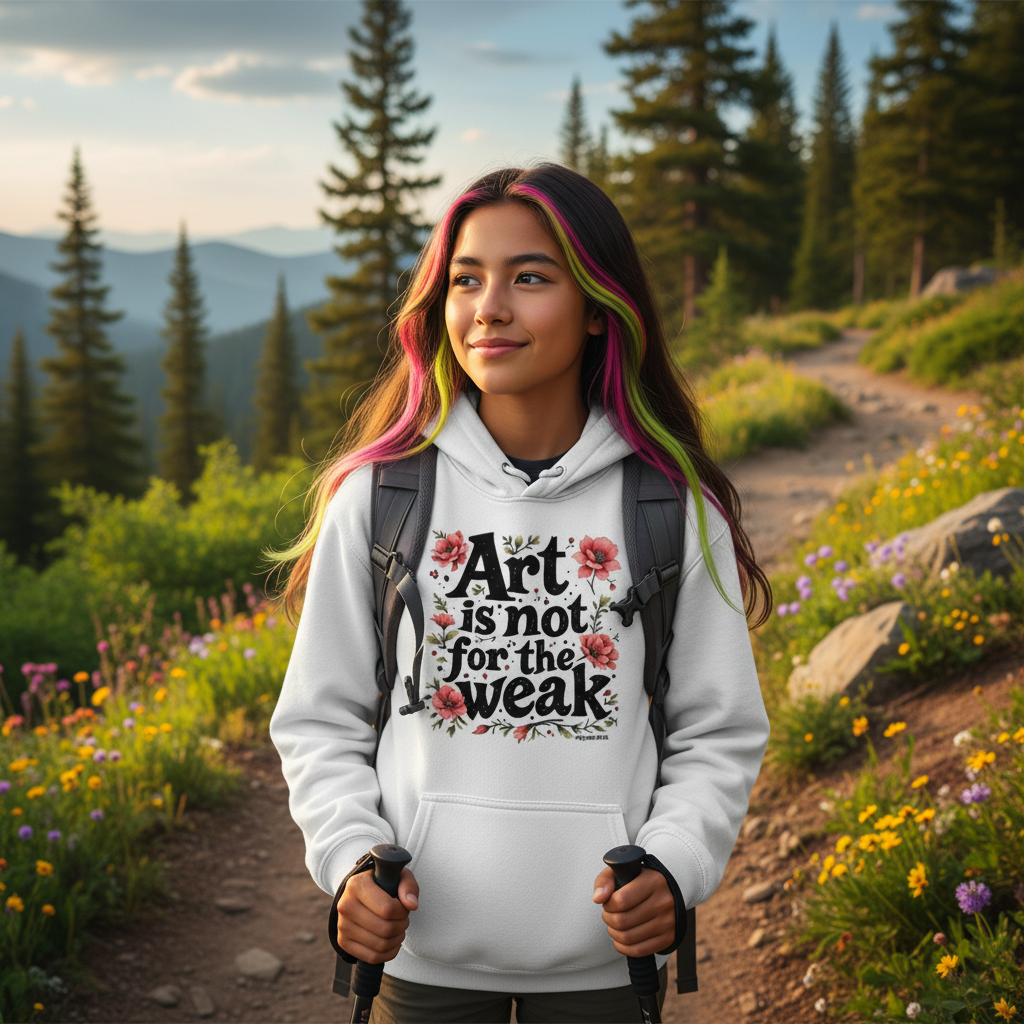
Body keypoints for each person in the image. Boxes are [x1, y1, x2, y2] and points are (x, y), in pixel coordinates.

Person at [269, 163, 772, 1024]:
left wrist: (673, 864)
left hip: (607, 966)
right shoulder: (381, 496)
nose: (488, 308)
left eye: (530, 278)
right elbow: (321, 719)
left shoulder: (670, 507)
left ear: (600, 306)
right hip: (420, 954)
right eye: (466, 280)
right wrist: (351, 858)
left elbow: (716, 732)